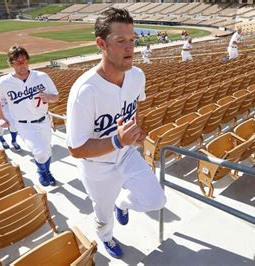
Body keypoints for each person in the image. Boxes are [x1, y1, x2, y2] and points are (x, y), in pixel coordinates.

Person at [66, 8, 166, 259]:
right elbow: (75, 149)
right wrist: (116, 140)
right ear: (101, 43)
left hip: (127, 154)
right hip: (97, 166)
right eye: (120, 41)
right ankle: (107, 239)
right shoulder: (84, 91)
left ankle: (123, 203)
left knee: (157, 200)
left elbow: (134, 109)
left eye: (132, 40)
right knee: (103, 216)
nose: (129, 47)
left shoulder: (137, 75)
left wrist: (135, 132)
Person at [0, 46, 59, 187]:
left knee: (46, 150)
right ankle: (42, 171)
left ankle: (47, 171)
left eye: (24, 61)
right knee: (39, 152)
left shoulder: (41, 76)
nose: (22, 65)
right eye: (18, 62)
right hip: (24, 124)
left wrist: (48, 97)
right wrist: (1, 117)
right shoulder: (3, 83)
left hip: (44, 120)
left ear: (28, 61)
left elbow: (56, 97)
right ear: (11, 64)